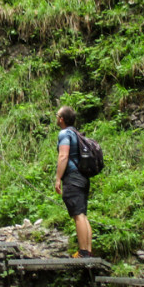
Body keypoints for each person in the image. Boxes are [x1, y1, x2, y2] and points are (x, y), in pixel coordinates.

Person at [54, 106, 94, 258]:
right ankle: (87, 251)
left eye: (57, 115)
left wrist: (58, 178)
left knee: (77, 214)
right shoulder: (76, 134)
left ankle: (83, 252)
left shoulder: (64, 133)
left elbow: (63, 156)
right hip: (83, 177)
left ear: (62, 119)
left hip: (73, 177)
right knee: (82, 214)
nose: (56, 118)